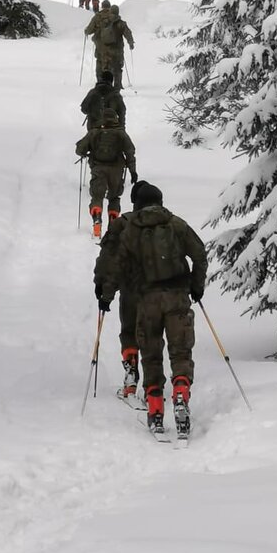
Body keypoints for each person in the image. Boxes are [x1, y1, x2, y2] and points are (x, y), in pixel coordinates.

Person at [95, 181, 207, 439]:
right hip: (178, 297)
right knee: (181, 353)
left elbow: (115, 264)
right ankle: (180, 393)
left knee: (152, 355)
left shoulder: (130, 229)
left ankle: (155, 409)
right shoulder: (176, 223)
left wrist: (106, 294)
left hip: (145, 300)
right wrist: (196, 286)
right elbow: (199, 254)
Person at [93, 179, 150, 402]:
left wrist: (102, 285)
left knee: (129, 330)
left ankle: (130, 377)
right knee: (152, 334)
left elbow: (108, 256)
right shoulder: (166, 223)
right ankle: (153, 385)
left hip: (130, 287)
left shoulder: (123, 224)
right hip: (158, 288)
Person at [75, 108, 137, 240]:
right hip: (117, 169)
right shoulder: (121, 133)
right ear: (115, 118)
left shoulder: (94, 132)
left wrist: (85, 153)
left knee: (97, 196)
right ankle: (113, 223)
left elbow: (79, 150)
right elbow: (130, 152)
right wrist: (133, 171)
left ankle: (97, 219)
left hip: (98, 168)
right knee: (114, 197)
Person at [100, 4, 134, 91]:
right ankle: (117, 88)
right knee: (117, 69)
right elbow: (128, 33)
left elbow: (99, 33)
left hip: (106, 50)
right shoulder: (121, 23)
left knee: (106, 68)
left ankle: (106, 87)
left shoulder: (105, 22)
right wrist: (130, 43)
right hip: (118, 50)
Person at [84, 0, 116, 78]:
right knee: (110, 61)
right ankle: (109, 80)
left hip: (100, 43)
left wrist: (86, 31)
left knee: (99, 60)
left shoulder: (97, 16)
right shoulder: (114, 16)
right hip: (112, 43)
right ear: (110, 6)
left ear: (102, 6)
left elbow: (90, 29)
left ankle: (99, 79)